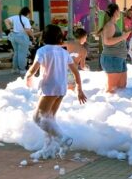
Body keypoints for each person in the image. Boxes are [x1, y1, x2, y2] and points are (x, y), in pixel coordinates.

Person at [25, 25, 86, 160]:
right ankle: (49, 149)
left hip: (48, 88)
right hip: (61, 88)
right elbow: (76, 71)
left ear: (44, 37)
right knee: (49, 119)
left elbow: (34, 69)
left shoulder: (42, 51)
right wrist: (79, 89)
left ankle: (63, 138)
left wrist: (27, 76)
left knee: (38, 118)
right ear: (59, 38)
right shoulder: (63, 52)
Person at [98, 4, 132, 93]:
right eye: (119, 10)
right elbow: (107, 41)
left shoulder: (113, 25)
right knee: (111, 90)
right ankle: (108, 105)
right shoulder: (110, 25)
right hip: (112, 58)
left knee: (122, 86)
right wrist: (123, 37)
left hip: (118, 58)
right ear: (116, 12)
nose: (120, 13)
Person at [4, 7, 34, 75]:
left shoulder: (15, 17)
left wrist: (10, 29)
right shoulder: (26, 19)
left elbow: (6, 20)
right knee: (22, 54)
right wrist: (33, 37)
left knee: (16, 53)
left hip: (14, 36)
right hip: (22, 37)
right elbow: (28, 30)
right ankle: (22, 70)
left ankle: (14, 69)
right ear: (28, 13)